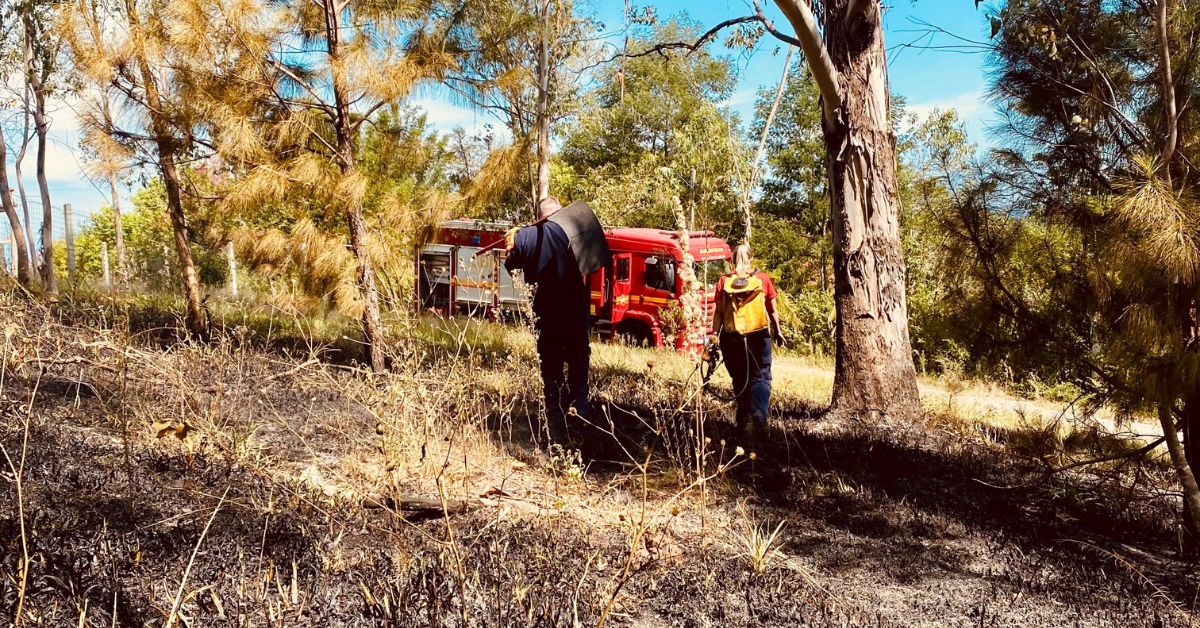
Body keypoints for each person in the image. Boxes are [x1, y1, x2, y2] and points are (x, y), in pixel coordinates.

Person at [504, 197, 591, 444]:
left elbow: (511, 266)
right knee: (578, 355)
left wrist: (517, 239)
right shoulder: (577, 231)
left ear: (538, 214)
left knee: (550, 360)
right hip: (575, 306)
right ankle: (579, 407)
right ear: (560, 211)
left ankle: (555, 415)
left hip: (546, 307)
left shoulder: (526, 236)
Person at [712, 244, 784, 443]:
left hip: (732, 337)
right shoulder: (763, 280)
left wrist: (713, 338)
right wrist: (778, 332)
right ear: (752, 258)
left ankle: (743, 422)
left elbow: (718, 313)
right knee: (760, 377)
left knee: (739, 378)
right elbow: (772, 311)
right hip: (758, 336)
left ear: (732, 261)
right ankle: (759, 418)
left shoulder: (724, 281)